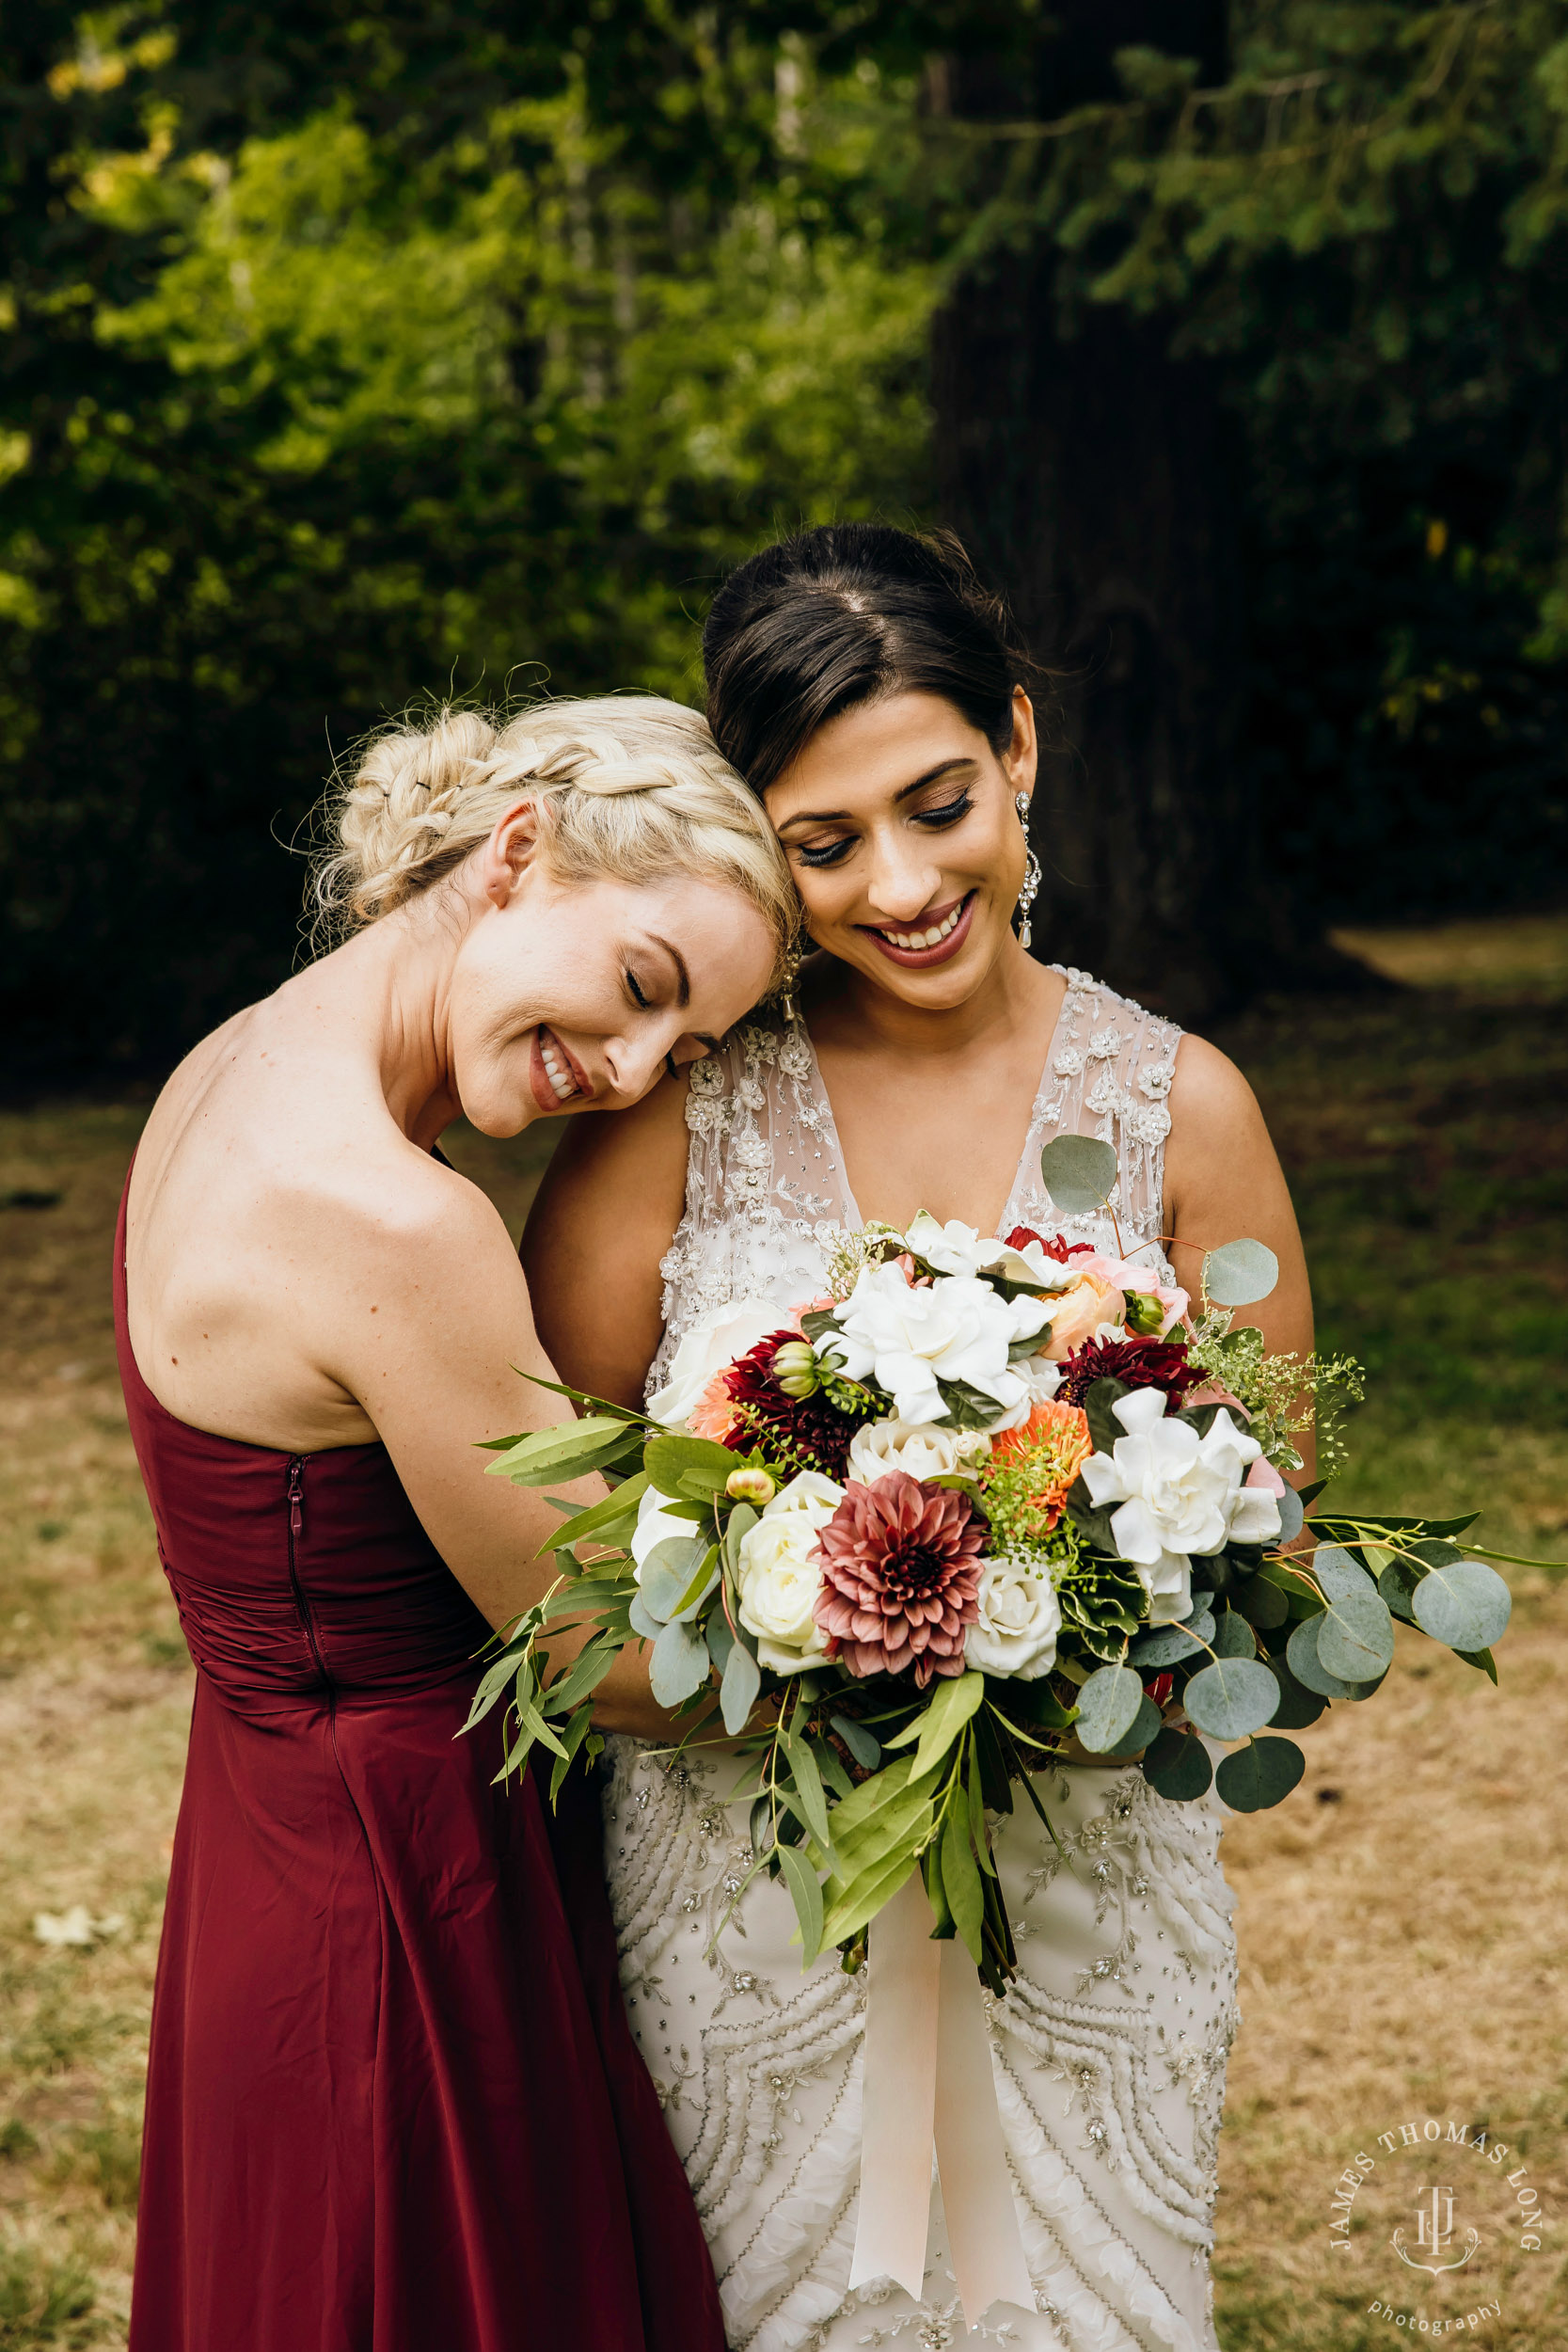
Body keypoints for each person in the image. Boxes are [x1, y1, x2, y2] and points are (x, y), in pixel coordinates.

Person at [524, 530, 1315, 2352]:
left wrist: (1094, 1609)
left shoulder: (1184, 1110)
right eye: (824, 844)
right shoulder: (677, 1127)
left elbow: (1280, 1525)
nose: (901, 881)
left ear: (1019, 747)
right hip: (754, 1907)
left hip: (1086, 1904)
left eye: (939, 800)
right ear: (762, 853)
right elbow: (544, 1556)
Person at [117, 695, 797, 2352]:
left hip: (273, 1844)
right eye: (642, 986)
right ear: (517, 853)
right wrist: (945, 1638)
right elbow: (605, 1656)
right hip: (401, 1916)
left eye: (687, 1050)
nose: (632, 1071)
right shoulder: (394, 1219)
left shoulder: (232, 1060)